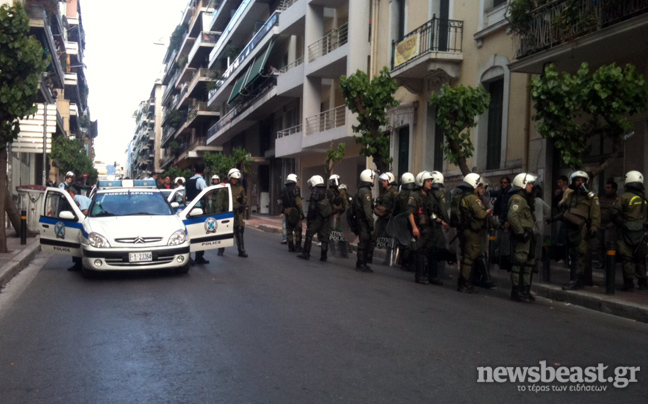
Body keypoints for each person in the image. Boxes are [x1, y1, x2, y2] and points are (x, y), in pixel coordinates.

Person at [549, 170, 600, 290]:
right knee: (572, 254)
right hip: (570, 229)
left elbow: (595, 214)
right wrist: (553, 219)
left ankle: (576, 280)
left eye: (582, 181)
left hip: (582, 229)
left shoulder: (592, 197)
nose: (580, 183)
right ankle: (574, 279)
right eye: (577, 180)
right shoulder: (571, 196)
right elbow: (565, 211)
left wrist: (594, 228)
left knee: (579, 254)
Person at [610, 171, 648, 291]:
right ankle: (643, 282)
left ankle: (629, 283)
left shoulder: (623, 198)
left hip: (625, 232)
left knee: (627, 258)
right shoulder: (646, 198)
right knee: (641, 258)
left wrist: (620, 223)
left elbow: (613, 213)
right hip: (642, 232)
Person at [457, 173, 492, 293]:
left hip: (465, 230)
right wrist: (487, 211)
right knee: (469, 258)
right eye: (478, 185)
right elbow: (481, 214)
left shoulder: (462, 196)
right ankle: (465, 283)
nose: (479, 188)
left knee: (466, 256)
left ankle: (463, 281)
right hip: (472, 231)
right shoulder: (473, 198)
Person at [508, 173, 538, 302]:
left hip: (529, 235)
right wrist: (520, 232)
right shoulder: (518, 199)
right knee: (519, 262)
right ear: (522, 184)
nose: (531, 186)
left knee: (528, 264)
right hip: (522, 236)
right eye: (529, 183)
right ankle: (516, 291)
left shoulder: (525, 199)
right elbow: (512, 216)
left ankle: (525, 290)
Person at [297, 175, 332, 261]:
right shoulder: (328, 191)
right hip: (326, 218)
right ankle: (324, 256)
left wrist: (309, 219)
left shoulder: (315, 191)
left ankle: (306, 253)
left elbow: (312, 207)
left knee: (309, 234)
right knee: (325, 237)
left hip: (317, 218)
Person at [410, 171, 435, 284]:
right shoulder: (415, 195)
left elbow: (431, 212)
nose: (431, 183)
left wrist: (439, 220)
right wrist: (414, 227)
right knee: (419, 252)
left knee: (426, 251)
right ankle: (419, 276)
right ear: (422, 182)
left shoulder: (430, 196)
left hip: (428, 228)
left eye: (431, 181)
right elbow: (410, 212)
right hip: (419, 228)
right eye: (428, 181)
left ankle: (426, 275)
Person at [427, 171, 450, 284]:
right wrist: (446, 222)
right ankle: (435, 274)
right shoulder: (440, 194)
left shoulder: (427, 192)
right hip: (436, 224)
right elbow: (443, 210)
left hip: (428, 222)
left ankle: (428, 273)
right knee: (438, 247)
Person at [373, 172, 398, 266]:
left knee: (389, 239)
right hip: (383, 219)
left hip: (389, 219)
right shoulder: (385, 191)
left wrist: (389, 214)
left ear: (389, 181)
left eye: (384, 180)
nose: (383, 182)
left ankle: (389, 259)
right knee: (378, 235)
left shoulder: (394, 192)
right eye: (382, 180)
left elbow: (395, 206)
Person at [186, 164, 209, 265]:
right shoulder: (200, 180)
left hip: (188, 210)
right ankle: (199, 257)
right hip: (198, 209)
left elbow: (183, 196)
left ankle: (189, 257)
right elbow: (205, 192)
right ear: (203, 170)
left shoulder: (188, 181)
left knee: (190, 233)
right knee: (200, 233)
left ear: (194, 170)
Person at [353, 169, 375, 272]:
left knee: (364, 242)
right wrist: (371, 224)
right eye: (373, 178)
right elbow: (367, 211)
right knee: (364, 242)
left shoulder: (360, 189)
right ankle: (361, 264)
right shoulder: (366, 192)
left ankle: (362, 263)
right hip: (364, 221)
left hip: (360, 220)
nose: (374, 180)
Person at [65, 186, 92, 272]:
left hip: (85, 223)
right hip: (83, 222)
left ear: (71, 193)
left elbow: (85, 211)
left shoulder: (79, 199)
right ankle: (77, 264)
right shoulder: (76, 199)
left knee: (78, 242)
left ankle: (79, 264)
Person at [597, 178, 619, 268]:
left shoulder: (617, 200)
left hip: (610, 226)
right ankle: (601, 262)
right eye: (606, 187)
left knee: (608, 244)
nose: (606, 189)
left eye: (608, 188)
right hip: (600, 224)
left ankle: (609, 263)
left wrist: (612, 224)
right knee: (599, 245)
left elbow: (619, 214)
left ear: (614, 189)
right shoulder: (601, 198)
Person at [327, 174, 349, 258]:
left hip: (339, 215)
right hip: (333, 215)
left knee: (340, 232)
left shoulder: (341, 191)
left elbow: (345, 203)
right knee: (332, 232)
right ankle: (332, 250)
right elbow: (332, 203)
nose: (337, 182)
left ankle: (343, 252)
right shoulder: (330, 192)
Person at [281, 173, 304, 253]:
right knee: (298, 229)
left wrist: (282, 211)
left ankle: (290, 246)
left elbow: (282, 202)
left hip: (286, 211)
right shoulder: (296, 188)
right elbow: (298, 202)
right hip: (295, 210)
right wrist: (302, 213)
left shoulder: (284, 190)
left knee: (289, 229)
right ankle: (298, 246)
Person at [229, 168, 248, 257]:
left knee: (240, 230)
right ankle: (221, 249)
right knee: (226, 231)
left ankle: (241, 250)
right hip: (228, 212)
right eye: (233, 179)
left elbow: (245, 199)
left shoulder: (240, 188)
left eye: (236, 179)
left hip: (238, 211)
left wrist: (242, 203)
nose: (234, 181)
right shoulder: (226, 187)